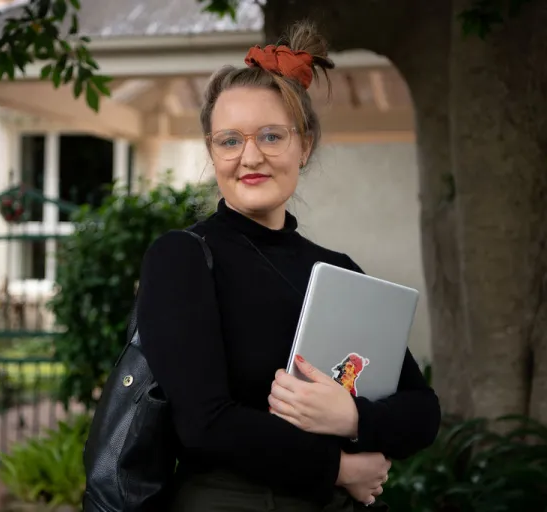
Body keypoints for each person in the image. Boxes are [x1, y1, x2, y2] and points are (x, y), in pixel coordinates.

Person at [134, 19, 442, 512]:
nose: (249, 157)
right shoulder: (183, 258)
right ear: (212, 152)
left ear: (305, 146)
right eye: (229, 140)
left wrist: (353, 419)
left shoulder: (338, 271)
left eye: (271, 136)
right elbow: (205, 424)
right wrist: (340, 469)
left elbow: (423, 410)